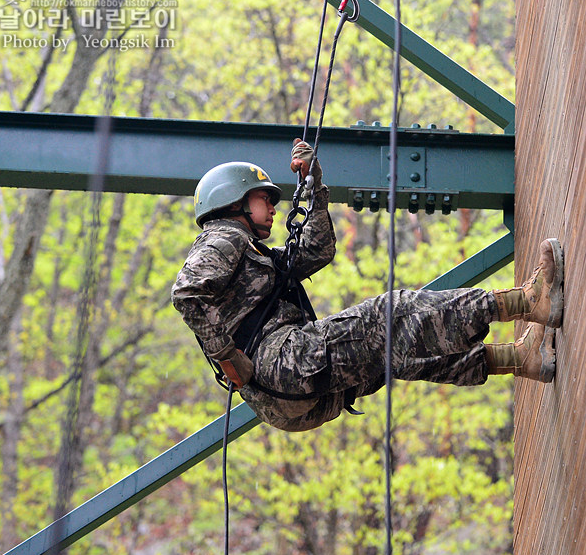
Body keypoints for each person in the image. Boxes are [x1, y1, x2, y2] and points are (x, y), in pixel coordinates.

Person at [172, 140, 564, 432]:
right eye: (263, 198)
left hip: (281, 398)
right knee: (389, 315)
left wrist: (313, 189)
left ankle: (519, 359)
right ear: (234, 202)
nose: (273, 207)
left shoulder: (251, 258)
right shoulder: (223, 236)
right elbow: (187, 293)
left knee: (394, 351)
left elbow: (316, 250)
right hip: (281, 363)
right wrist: (226, 355)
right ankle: (526, 303)